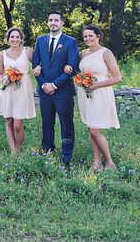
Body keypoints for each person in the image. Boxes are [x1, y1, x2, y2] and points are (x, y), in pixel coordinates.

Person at [31, 11, 80, 166]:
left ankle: (66, 157)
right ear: (47, 22)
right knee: (47, 122)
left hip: (63, 91)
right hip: (44, 91)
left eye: (56, 20)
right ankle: (47, 151)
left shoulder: (70, 42)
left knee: (66, 123)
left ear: (62, 23)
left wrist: (54, 85)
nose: (53, 23)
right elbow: (35, 65)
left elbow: (72, 67)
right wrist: (44, 84)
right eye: (50, 20)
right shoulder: (40, 40)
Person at [76, 25, 121, 171]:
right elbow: (79, 71)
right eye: (85, 36)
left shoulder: (105, 53)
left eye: (91, 35)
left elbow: (117, 78)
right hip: (86, 95)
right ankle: (96, 163)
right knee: (92, 128)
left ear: (98, 36)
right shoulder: (82, 53)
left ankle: (109, 162)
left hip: (100, 93)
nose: (88, 38)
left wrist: (96, 85)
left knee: (95, 130)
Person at [0, 27, 36, 154]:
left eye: (17, 37)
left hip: (23, 89)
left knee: (18, 123)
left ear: (21, 39)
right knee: (9, 120)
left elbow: (38, 63)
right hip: (8, 90)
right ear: (8, 39)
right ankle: (13, 151)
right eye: (12, 37)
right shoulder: (3, 54)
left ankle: (19, 149)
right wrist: (3, 81)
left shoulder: (27, 51)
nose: (15, 39)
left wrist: (38, 67)